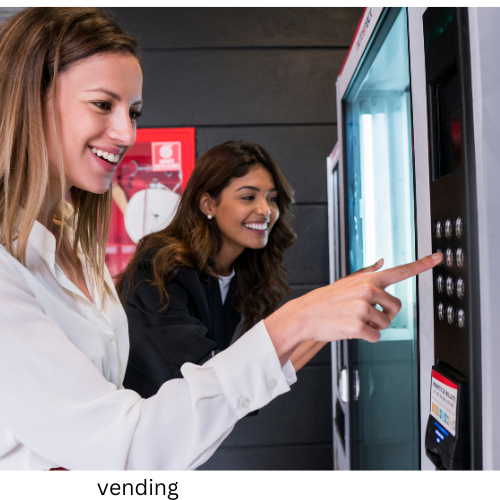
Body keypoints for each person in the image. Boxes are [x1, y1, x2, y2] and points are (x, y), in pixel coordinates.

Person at [0, 6, 442, 471]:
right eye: (102, 104)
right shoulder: (157, 265)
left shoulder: (72, 247)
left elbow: (228, 386)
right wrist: (302, 319)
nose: (127, 132)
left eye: (133, 112)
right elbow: (133, 438)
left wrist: (322, 315)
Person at [117, 140, 304, 398]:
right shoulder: (159, 265)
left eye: (271, 199)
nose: (265, 210)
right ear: (208, 204)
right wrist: (312, 317)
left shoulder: (236, 271)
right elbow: (209, 381)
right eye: (248, 197)